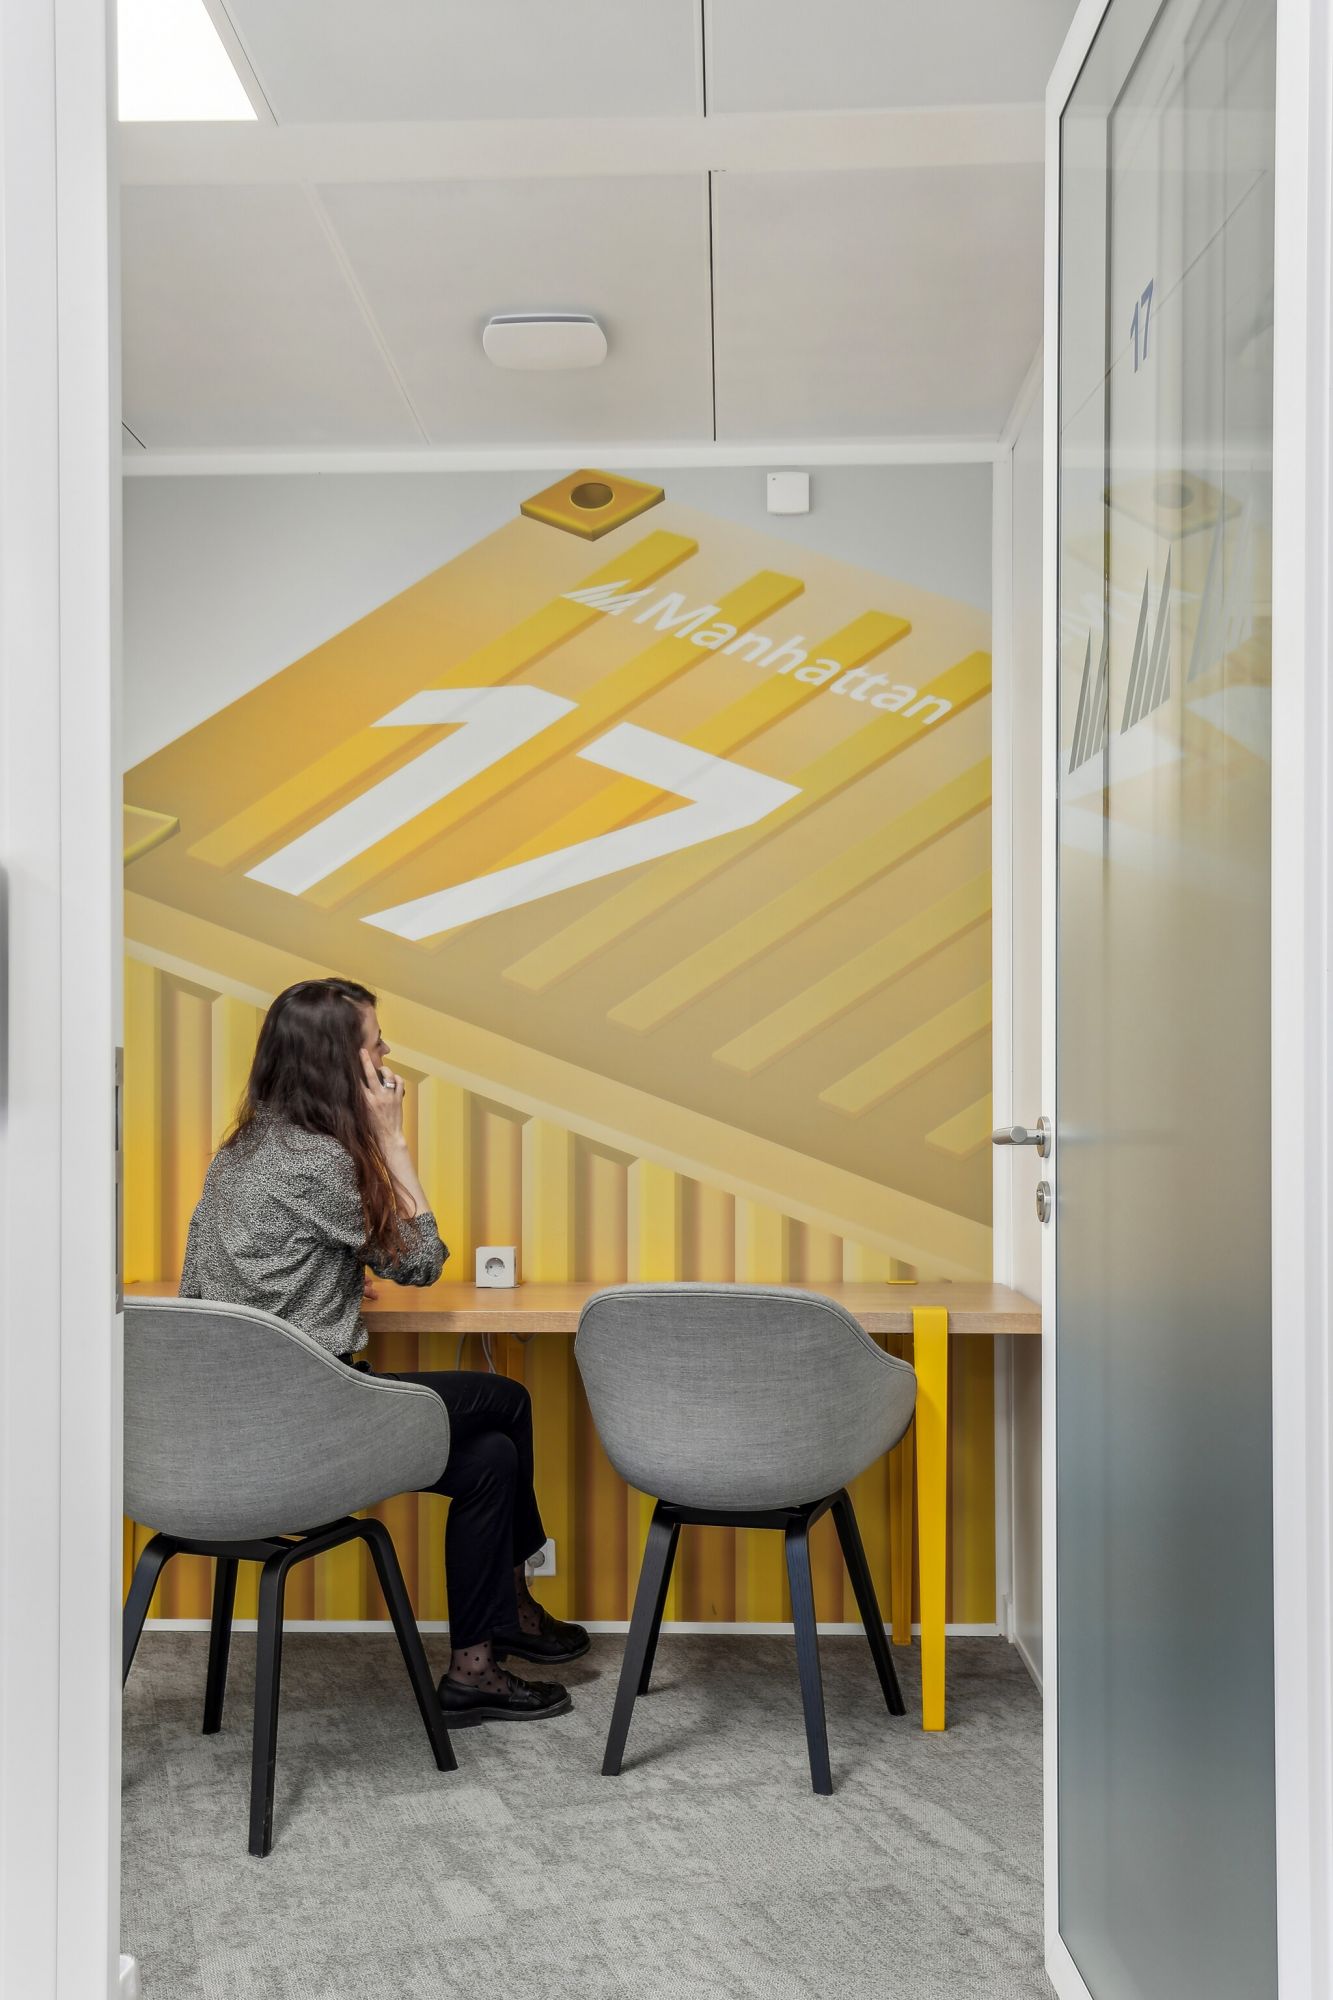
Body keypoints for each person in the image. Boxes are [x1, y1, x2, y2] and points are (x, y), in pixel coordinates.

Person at [179, 975, 587, 1726]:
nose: (388, 1053)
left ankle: (477, 1664)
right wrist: (395, 1145)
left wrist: (321, 1278)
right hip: (308, 1431)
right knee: (507, 1400)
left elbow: (205, 1282)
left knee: (491, 1462)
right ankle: (513, 1609)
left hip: (230, 1436)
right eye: (376, 1044)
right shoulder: (321, 1161)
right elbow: (422, 1262)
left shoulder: (240, 1152)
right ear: (340, 1064)